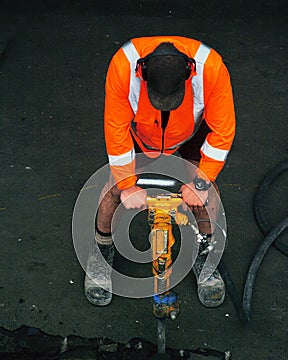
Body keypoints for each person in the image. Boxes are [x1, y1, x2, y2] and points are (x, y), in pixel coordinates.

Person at [84, 36, 235, 308]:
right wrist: (127, 185)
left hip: (191, 129)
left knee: (208, 196)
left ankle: (205, 256)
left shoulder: (212, 68)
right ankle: (101, 254)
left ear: (190, 73)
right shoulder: (123, 66)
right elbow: (116, 131)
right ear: (142, 73)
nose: (164, 103)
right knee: (113, 190)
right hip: (141, 133)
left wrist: (200, 183)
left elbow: (223, 132)